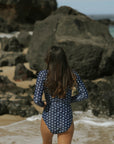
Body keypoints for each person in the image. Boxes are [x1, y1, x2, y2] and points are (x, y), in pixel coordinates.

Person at [33, 45, 88, 144]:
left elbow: (36, 100)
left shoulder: (43, 75)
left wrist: (43, 104)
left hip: (48, 117)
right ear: (64, 59)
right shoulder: (72, 74)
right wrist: (69, 100)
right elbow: (84, 94)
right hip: (65, 118)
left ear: (48, 59)